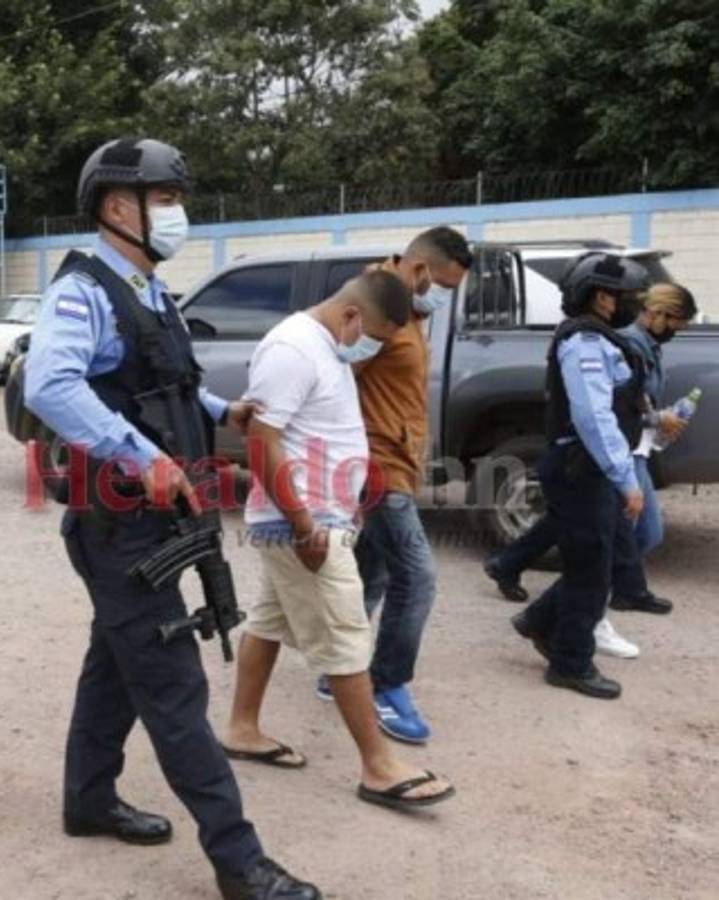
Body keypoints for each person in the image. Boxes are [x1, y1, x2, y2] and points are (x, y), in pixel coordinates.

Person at [25, 138, 319, 900]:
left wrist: (225, 409)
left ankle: (87, 801)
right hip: (118, 523)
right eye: (165, 199)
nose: (177, 213)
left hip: (158, 520)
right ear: (118, 207)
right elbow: (50, 385)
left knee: (113, 668)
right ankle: (238, 860)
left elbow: (160, 384)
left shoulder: (148, 291)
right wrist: (138, 458)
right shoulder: (83, 290)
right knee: (175, 689)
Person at [221, 267, 454, 813]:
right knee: (347, 640)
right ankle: (378, 766)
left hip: (314, 517)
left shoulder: (325, 345)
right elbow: (262, 442)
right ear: (352, 314)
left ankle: (242, 727)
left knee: (267, 624)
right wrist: (304, 523)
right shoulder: (294, 349)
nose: (370, 347)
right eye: (372, 335)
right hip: (302, 524)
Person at [484, 282, 695, 650]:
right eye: (678, 321)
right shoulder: (610, 343)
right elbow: (603, 412)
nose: (680, 330)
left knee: (592, 535)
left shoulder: (639, 345)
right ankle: (581, 622)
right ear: (660, 314)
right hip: (613, 455)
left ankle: (536, 602)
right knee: (616, 542)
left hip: (621, 451)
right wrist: (647, 434)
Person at [325, 227, 471, 745]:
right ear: (419, 270)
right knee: (418, 575)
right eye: (444, 285)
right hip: (376, 462)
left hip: (398, 457)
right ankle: (385, 686)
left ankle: (338, 667)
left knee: (376, 568)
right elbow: (336, 373)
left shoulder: (412, 307)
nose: (446, 296)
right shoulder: (375, 301)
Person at [511, 252, 651, 699]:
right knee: (591, 570)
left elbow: (619, 406)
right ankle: (571, 663)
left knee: (599, 562)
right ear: (600, 297)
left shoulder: (601, 339)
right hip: (582, 468)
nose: (630, 303)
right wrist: (625, 479)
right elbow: (593, 417)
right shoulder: (586, 343)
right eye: (624, 296)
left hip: (588, 467)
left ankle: (537, 622)